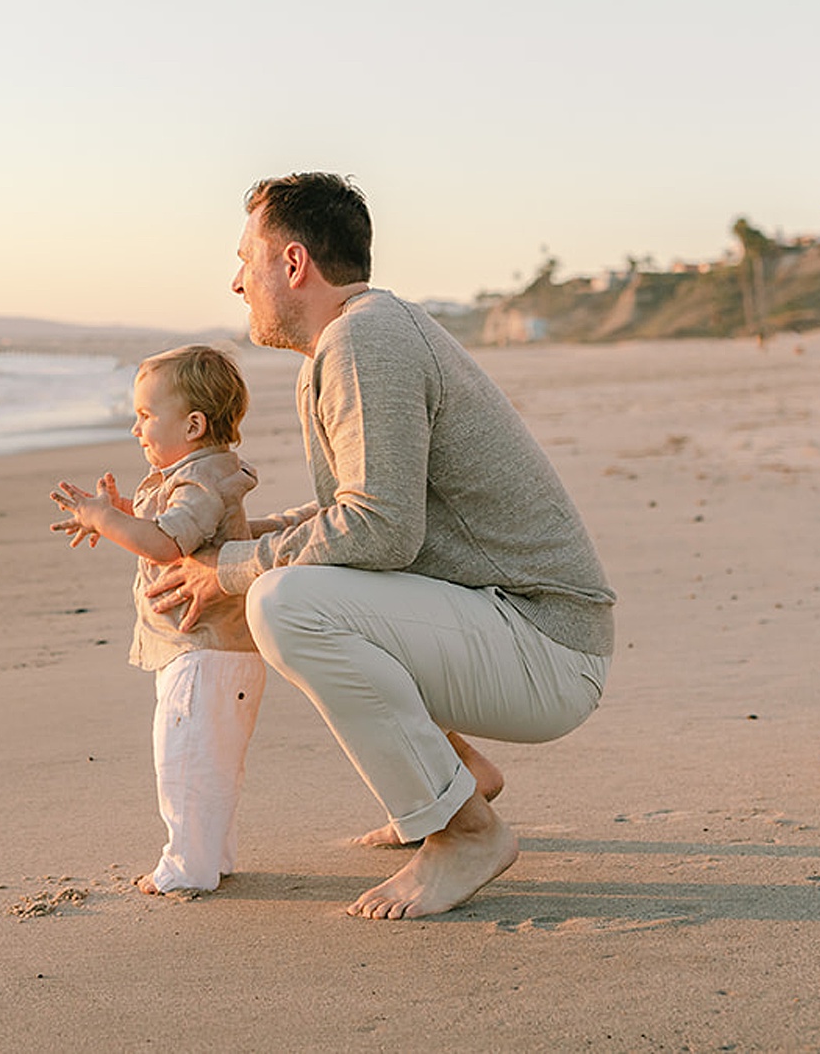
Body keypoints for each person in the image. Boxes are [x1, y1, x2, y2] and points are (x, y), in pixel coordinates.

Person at [143, 173, 615, 920]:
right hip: (515, 628)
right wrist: (259, 534)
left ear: (293, 264)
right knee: (300, 580)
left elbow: (380, 530)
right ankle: (463, 773)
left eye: (246, 259)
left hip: (547, 644)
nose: (238, 281)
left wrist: (233, 570)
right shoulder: (356, 338)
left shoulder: (366, 339)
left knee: (286, 602)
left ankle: (465, 833)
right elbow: (356, 510)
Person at [49, 344, 263, 895]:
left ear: (192, 424)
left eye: (146, 416)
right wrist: (121, 518)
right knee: (212, 763)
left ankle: (186, 867)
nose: (135, 428)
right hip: (218, 652)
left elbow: (168, 542)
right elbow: (167, 528)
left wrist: (102, 517)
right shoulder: (201, 475)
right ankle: (212, 855)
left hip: (202, 652)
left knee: (185, 762)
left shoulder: (199, 481)